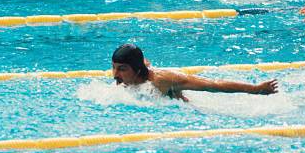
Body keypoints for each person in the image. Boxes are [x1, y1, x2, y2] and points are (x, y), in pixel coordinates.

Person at [111, 44, 278, 102]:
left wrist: (255, 89)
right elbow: (144, 61)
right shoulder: (131, 75)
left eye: (122, 69)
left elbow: (213, 85)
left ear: (137, 69)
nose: (115, 74)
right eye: (114, 67)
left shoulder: (162, 80)